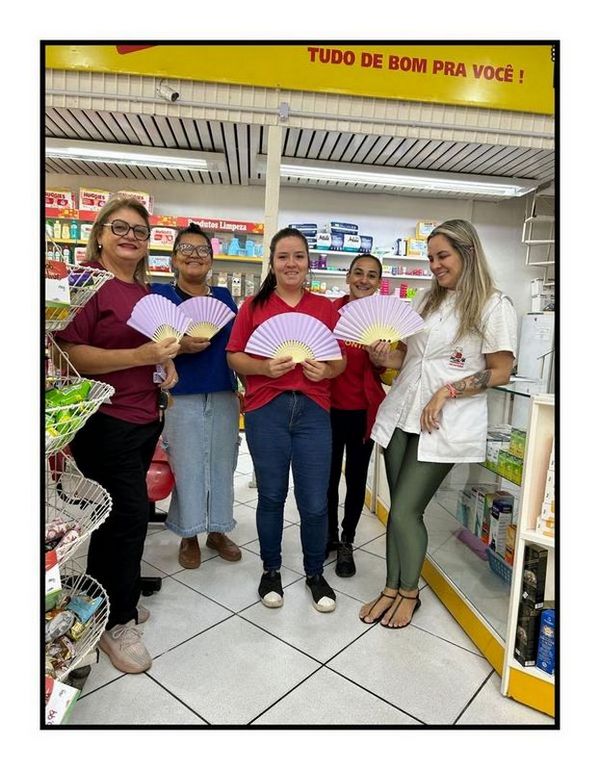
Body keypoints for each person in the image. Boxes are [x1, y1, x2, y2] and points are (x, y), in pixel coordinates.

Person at [359, 219, 517, 628]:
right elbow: (409, 358)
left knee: (406, 511)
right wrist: (384, 357)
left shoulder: (494, 305)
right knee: (397, 512)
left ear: (468, 253)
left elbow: (501, 370)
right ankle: (391, 588)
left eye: (442, 256)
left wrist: (448, 391)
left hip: (442, 422)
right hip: (401, 414)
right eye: (430, 258)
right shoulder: (426, 299)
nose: (434, 265)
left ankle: (410, 593)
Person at [55, 196, 179, 673]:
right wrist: (140, 357)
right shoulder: (87, 285)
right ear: (100, 233)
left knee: (121, 518)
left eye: (140, 231)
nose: (131, 237)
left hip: (144, 415)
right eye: (120, 227)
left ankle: (105, 598)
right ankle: (117, 623)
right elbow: (72, 355)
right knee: (127, 518)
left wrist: (163, 366)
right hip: (105, 420)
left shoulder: (141, 290)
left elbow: (151, 349)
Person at [226, 227, 346, 612]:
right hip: (266, 410)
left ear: (308, 262)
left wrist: (326, 371)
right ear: (272, 263)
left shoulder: (325, 308)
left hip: (314, 412)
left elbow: (339, 361)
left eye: (298, 256)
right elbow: (234, 356)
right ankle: (271, 570)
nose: (291, 263)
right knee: (272, 496)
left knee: (314, 501)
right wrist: (264, 367)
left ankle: (315, 573)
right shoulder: (253, 307)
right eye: (283, 256)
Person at [151, 223, 241, 568]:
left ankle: (218, 529)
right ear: (174, 258)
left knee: (223, 463)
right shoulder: (160, 296)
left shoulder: (223, 298)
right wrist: (180, 347)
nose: (194, 256)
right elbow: (147, 345)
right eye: (186, 249)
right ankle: (189, 534)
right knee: (187, 465)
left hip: (222, 391)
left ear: (211, 260)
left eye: (202, 250)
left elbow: (235, 346)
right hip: (181, 394)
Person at [326, 254, 386, 578]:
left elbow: (387, 370)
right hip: (328, 408)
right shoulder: (329, 312)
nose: (364, 279)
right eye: (359, 273)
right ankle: (328, 535)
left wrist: (380, 359)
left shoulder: (383, 321)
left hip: (364, 411)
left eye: (371, 275)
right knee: (327, 478)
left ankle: (347, 539)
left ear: (378, 282)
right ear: (348, 277)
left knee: (356, 479)